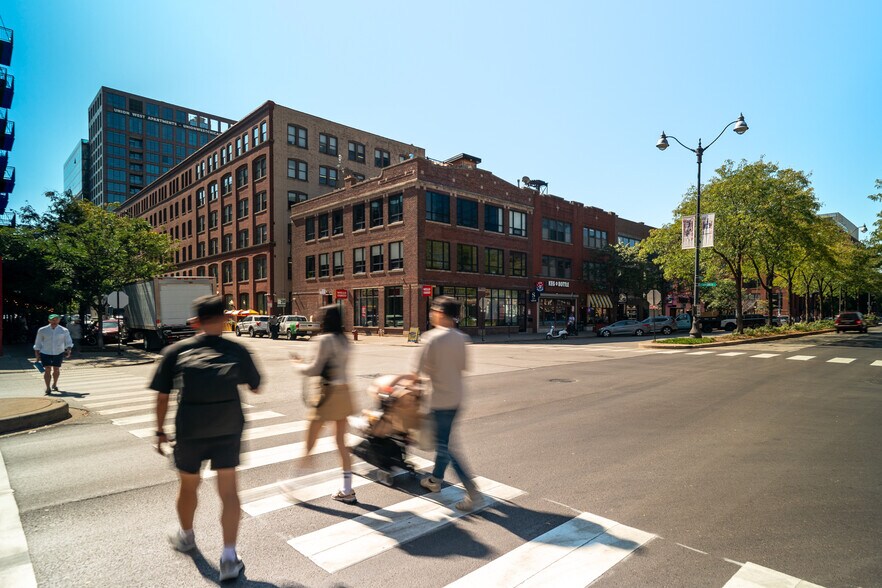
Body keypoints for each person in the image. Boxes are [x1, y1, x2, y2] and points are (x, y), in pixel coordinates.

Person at [150, 295, 261, 582]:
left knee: (189, 486)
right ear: (225, 319)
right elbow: (256, 386)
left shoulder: (176, 350)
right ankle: (228, 558)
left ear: (196, 321)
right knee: (228, 492)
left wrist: (159, 430)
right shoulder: (238, 349)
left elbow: (162, 396)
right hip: (228, 428)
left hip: (190, 429)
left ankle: (186, 537)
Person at [394, 296, 482, 512]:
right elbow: (460, 368)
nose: (431, 313)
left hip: (439, 400)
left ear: (441, 314)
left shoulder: (431, 338)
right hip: (457, 398)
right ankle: (435, 480)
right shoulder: (462, 339)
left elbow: (415, 374)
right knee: (445, 441)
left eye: (433, 310)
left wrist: (396, 384)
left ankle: (472, 492)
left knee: (446, 447)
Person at [288, 305, 356, 503]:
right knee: (341, 443)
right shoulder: (345, 340)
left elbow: (314, 369)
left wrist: (297, 364)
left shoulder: (323, 340)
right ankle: (347, 489)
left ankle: (294, 485)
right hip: (344, 393)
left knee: (309, 443)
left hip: (327, 395)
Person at [33, 313, 73, 395]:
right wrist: (37, 354)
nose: (54, 321)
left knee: (56, 369)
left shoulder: (64, 330)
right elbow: (38, 342)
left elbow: (68, 341)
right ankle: (48, 387)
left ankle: (54, 384)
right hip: (45, 352)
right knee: (47, 369)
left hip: (59, 352)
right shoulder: (42, 330)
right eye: (52, 319)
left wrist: (68, 350)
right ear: (49, 320)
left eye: (56, 319)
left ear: (59, 320)